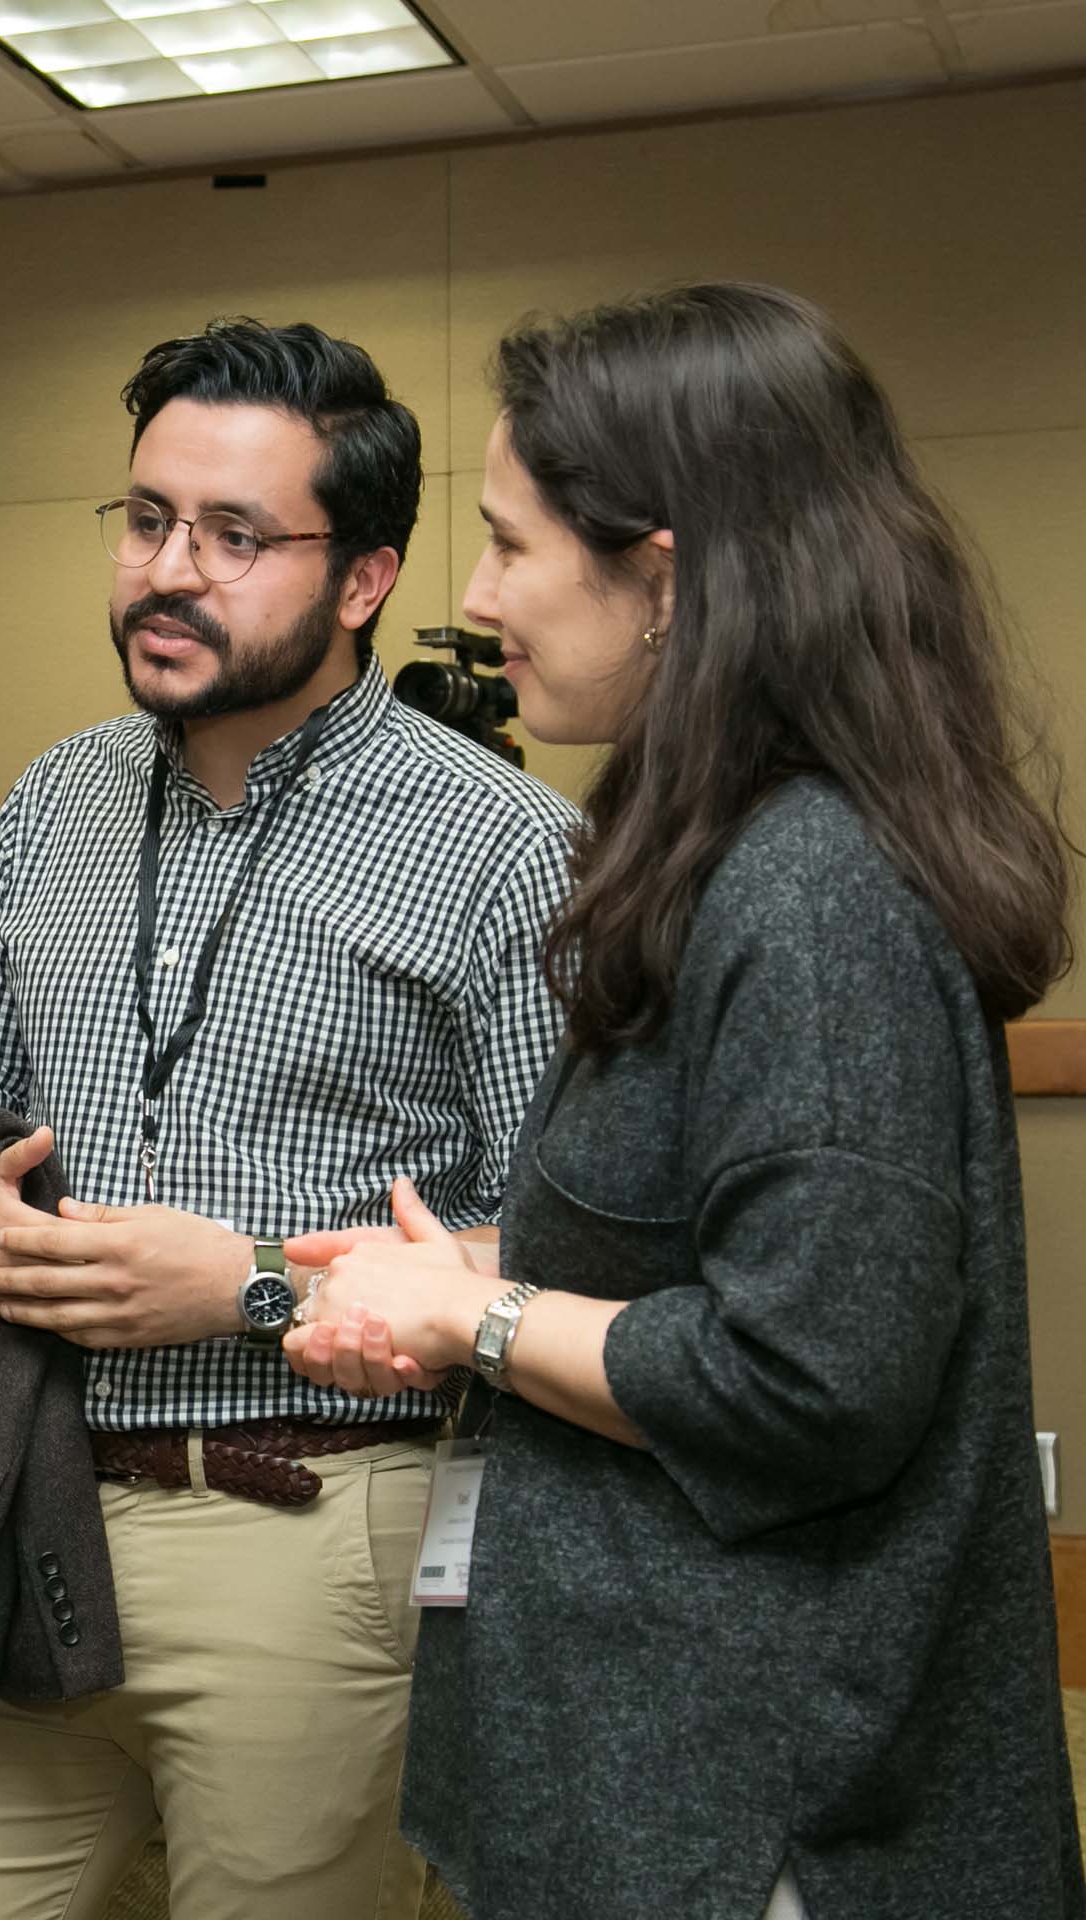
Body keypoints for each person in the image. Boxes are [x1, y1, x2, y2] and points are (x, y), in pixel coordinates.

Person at [281, 283, 1082, 1920]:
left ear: (664, 575)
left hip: (762, 1813)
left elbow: (810, 1375)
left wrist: (477, 1321)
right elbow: (718, 1255)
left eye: (509, 543)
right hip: (684, 1772)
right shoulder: (732, 858)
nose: (476, 593)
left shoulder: (811, 895)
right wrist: (447, 1282)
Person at [0, 320, 581, 1920]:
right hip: (7, 1502)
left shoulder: (508, 851)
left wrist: (243, 1282)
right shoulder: (54, 798)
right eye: (148, 519)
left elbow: (568, 1261)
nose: (169, 570)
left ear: (363, 578)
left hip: (314, 1531)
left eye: (236, 538)